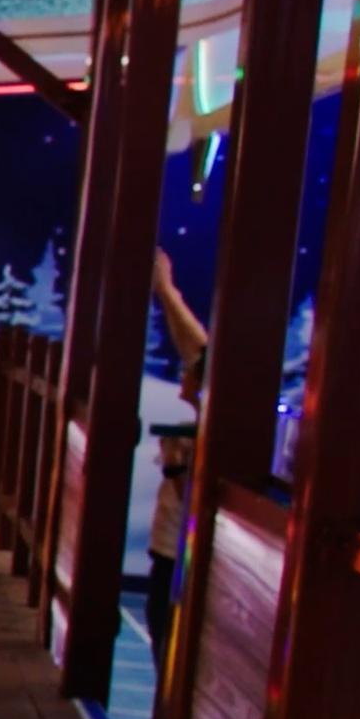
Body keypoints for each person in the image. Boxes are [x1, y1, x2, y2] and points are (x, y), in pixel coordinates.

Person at [146, 251, 211, 665]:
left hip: (178, 555)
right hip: (167, 553)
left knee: (170, 640)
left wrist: (166, 290)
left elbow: (198, 351)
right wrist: (165, 290)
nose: (183, 375)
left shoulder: (212, 422)